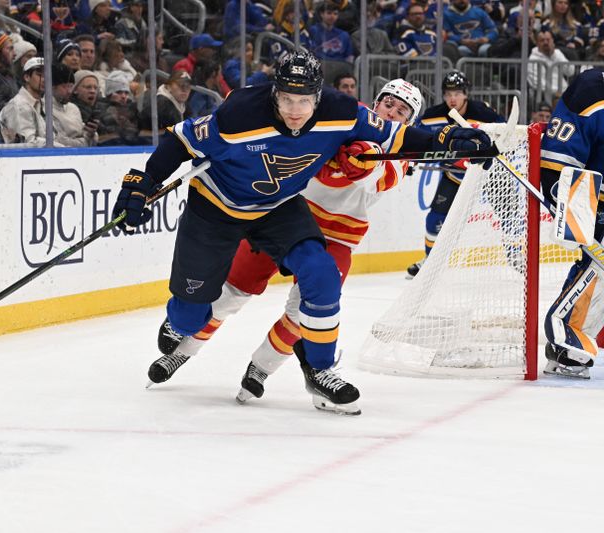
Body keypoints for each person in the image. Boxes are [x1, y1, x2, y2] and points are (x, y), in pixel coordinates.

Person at [113, 51, 491, 412]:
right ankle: (184, 336)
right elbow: (181, 140)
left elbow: (386, 158)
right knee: (211, 305)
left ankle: (310, 369)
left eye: (305, 101)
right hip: (222, 208)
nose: (296, 111)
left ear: (318, 97)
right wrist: (143, 179)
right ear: (275, 93)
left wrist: (444, 141)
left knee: (318, 282)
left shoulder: (346, 116)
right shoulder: (241, 112)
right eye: (287, 100)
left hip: (294, 215)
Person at [149, 79, 424, 412]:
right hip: (287, 216)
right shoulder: (348, 119)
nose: (392, 112)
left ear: (410, 121)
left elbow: (369, 178)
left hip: (338, 235)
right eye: (388, 104)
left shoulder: (401, 154)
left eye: (402, 111)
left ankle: (262, 368)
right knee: (234, 291)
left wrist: (358, 161)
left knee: (307, 308)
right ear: (376, 103)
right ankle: (183, 351)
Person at [406, 70, 505, 278]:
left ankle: (517, 253)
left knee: (509, 215)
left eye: (457, 93)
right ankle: (430, 261)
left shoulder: (483, 112)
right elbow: (413, 137)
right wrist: (409, 160)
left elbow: (504, 134)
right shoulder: (432, 115)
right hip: (455, 174)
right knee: (434, 219)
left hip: (487, 174)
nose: (453, 98)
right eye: (448, 93)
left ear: (466, 94)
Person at [540, 67, 604, 379]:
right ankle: (567, 344)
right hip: (595, 198)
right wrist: (571, 212)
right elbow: (556, 163)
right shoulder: (590, 89)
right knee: (597, 270)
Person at [51, 62, 98, 147]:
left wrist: (91, 134)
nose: (69, 91)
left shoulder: (73, 108)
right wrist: (85, 141)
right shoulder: (45, 108)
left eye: (71, 86)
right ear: (52, 87)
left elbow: (88, 135)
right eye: (65, 86)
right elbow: (59, 142)